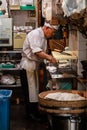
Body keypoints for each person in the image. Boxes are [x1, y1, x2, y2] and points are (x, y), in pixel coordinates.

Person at [20, 21, 59, 121]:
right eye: (53, 32)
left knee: (34, 91)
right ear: (47, 28)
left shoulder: (43, 37)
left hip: (34, 66)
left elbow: (42, 52)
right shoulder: (35, 34)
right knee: (30, 92)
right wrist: (50, 58)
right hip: (28, 66)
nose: (53, 34)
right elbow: (37, 52)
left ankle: (34, 113)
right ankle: (30, 115)